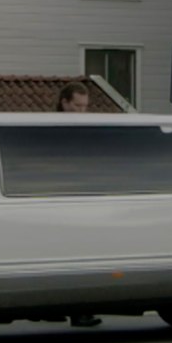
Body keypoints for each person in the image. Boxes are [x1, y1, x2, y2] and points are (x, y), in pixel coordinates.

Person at [55, 81, 103, 328]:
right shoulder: (48, 129)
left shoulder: (86, 130)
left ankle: (79, 310)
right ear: (64, 103)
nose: (81, 112)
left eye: (85, 107)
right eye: (77, 106)